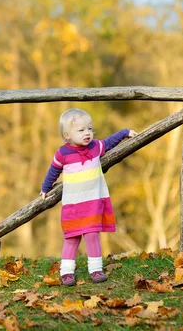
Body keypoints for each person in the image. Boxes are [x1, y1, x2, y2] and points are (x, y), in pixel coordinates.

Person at [40, 108, 137, 286]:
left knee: (92, 235)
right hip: (74, 204)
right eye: (81, 130)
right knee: (72, 237)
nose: (87, 133)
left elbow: (109, 142)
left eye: (90, 129)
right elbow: (53, 171)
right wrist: (45, 188)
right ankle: (67, 272)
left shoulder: (95, 147)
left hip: (93, 201)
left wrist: (124, 133)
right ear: (67, 135)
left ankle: (96, 269)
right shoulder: (62, 154)